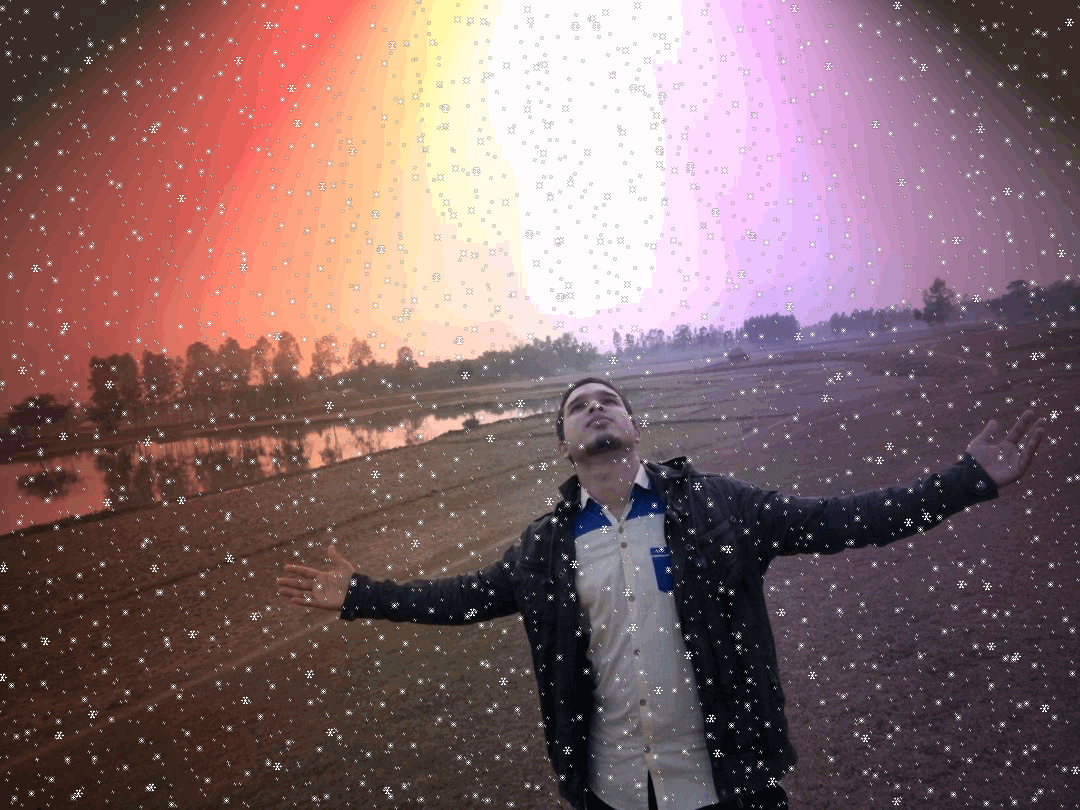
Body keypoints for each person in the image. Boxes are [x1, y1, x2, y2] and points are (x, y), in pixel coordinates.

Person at [277, 377, 1045, 810]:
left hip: (730, 786)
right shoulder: (544, 551)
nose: (595, 407)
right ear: (565, 444)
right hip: (613, 792)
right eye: (578, 406)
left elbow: (841, 521)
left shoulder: (719, 508)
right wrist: (361, 594)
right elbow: (463, 598)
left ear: (635, 425)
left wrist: (965, 481)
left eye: (607, 399)